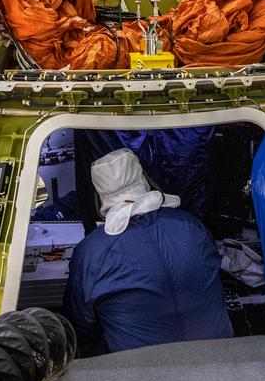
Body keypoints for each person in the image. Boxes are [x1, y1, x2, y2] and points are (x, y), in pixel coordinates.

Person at [63, 148, 231, 355]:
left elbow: (78, 326)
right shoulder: (190, 225)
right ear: (143, 178)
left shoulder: (91, 252)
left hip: (142, 375)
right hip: (220, 356)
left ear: (100, 195)